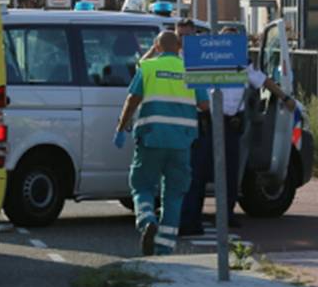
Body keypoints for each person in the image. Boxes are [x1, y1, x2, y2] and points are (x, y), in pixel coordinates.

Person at [179, 26, 296, 236]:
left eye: (233, 39)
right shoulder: (205, 59)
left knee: (230, 172)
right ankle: (191, 218)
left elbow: (264, 81)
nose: (229, 43)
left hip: (231, 123)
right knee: (199, 172)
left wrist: (284, 97)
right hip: (207, 122)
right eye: (226, 38)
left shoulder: (243, 64)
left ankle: (226, 215)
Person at [114, 31, 209, 255]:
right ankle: (164, 250)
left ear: (156, 46)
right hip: (181, 143)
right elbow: (204, 105)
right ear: (179, 46)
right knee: (174, 195)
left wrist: (120, 128)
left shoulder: (148, 68)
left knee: (142, 186)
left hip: (151, 138)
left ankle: (147, 220)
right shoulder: (191, 70)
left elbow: (132, 99)